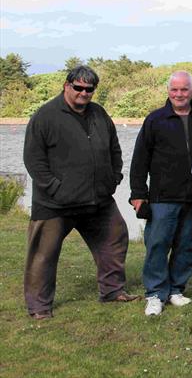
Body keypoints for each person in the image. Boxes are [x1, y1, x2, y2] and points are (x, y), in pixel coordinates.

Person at [23, 65, 138, 319]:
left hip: (98, 200)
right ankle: (39, 308)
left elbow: (114, 149)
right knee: (42, 255)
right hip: (55, 204)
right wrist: (55, 188)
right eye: (79, 88)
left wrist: (113, 178)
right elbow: (34, 160)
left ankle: (112, 291)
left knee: (115, 238)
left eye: (89, 89)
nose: (84, 93)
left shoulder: (99, 113)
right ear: (67, 86)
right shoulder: (45, 116)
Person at [129, 71, 192, 316]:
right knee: (158, 245)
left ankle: (176, 290)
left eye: (184, 89)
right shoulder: (155, 119)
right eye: (175, 89)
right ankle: (154, 294)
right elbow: (140, 158)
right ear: (168, 91)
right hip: (162, 196)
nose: (179, 94)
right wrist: (138, 193)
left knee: (188, 245)